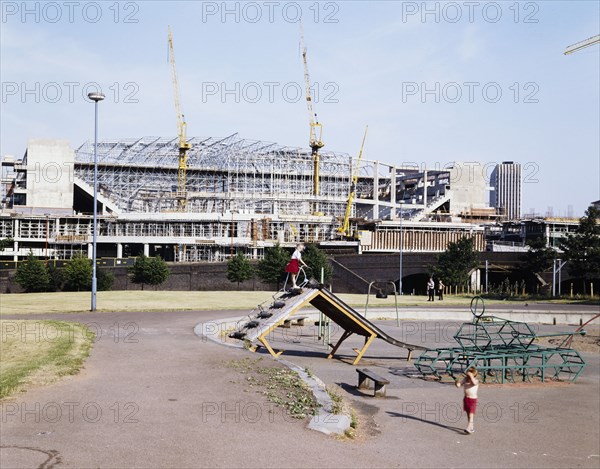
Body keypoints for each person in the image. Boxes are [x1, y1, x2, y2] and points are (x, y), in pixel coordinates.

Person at [455, 367, 479, 434]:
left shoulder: (476, 380)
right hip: (466, 398)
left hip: (473, 399)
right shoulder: (465, 379)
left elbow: (474, 383)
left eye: (471, 373)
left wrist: (471, 375)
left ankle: (469, 428)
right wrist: (457, 382)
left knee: (471, 414)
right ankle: (471, 427)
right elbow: (459, 385)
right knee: (468, 414)